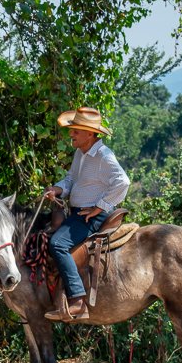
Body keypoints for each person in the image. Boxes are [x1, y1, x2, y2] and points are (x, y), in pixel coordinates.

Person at [43, 106, 130, 321]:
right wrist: (57, 189)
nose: (71, 134)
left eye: (76, 131)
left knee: (57, 244)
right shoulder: (80, 154)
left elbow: (123, 182)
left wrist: (100, 207)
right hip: (78, 212)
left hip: (90, 215)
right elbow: (71, 180)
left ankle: (77, 301)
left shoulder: (103, 156)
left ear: (90, 134)